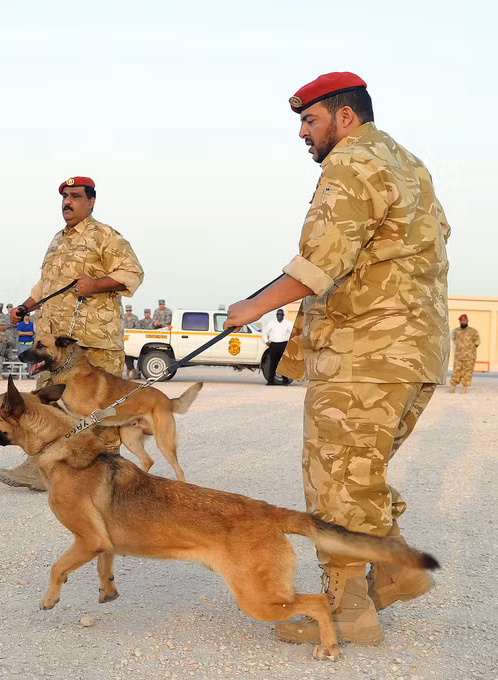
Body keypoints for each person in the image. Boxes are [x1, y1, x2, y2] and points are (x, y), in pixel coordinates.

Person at [223, 73, 450, 644]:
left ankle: (347, 612)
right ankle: (396, 571)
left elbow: (321, 261)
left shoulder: (350, 163)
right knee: (359, 475)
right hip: (414, 353)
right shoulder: (408, 164)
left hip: (363, 354)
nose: (303, 133)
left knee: (337, 485)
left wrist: (252, 308)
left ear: (345, 117)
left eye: (310, 120)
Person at [2, 176, 144, 490]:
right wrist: (25, 307)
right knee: (46, 404)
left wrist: (96, 284)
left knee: (99, 410)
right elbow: (45, 286)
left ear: (91, 202)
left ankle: (109, 474)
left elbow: (133, 273)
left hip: (92, 342)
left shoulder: (106, 236)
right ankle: (41, 467)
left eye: (76, 196)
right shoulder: (57, 240)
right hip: (52, 346)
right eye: (65, 197)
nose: (68, 202)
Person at [261, 309, 294, 386]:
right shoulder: (271, 323)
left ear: (283, 315)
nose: (279, 316)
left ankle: (285, 381)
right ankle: (270, 381)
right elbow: (264, 332)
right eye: (278, 314)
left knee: (284, 364)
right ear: (276, 315)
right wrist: (266, 341)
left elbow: (294, 332)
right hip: (274, 345)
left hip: (284, 345)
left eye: (281, 314)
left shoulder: (288, 324)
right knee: (273, 363)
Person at [450, 314, 480, 393]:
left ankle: (464, 388)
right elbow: (453, 341)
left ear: (467, 321)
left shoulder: (473, 331)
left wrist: (470, 349)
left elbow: (477, 342)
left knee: (467, 372)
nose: (463, 322)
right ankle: (452, 387)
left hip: (469, 357)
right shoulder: (456, 331)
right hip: (458, 356)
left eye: (464, 320)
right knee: (456, 371)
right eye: (461, 321)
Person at [122, 304, 140, 379]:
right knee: (126, 356)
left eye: (129, 311)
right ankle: (129, 370)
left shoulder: (135, 318)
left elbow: (138, 327)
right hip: (124, 339)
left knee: (131, 356)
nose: (128, 312)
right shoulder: (122, 317)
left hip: (132, 339)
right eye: (127, 311)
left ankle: (132, 371)